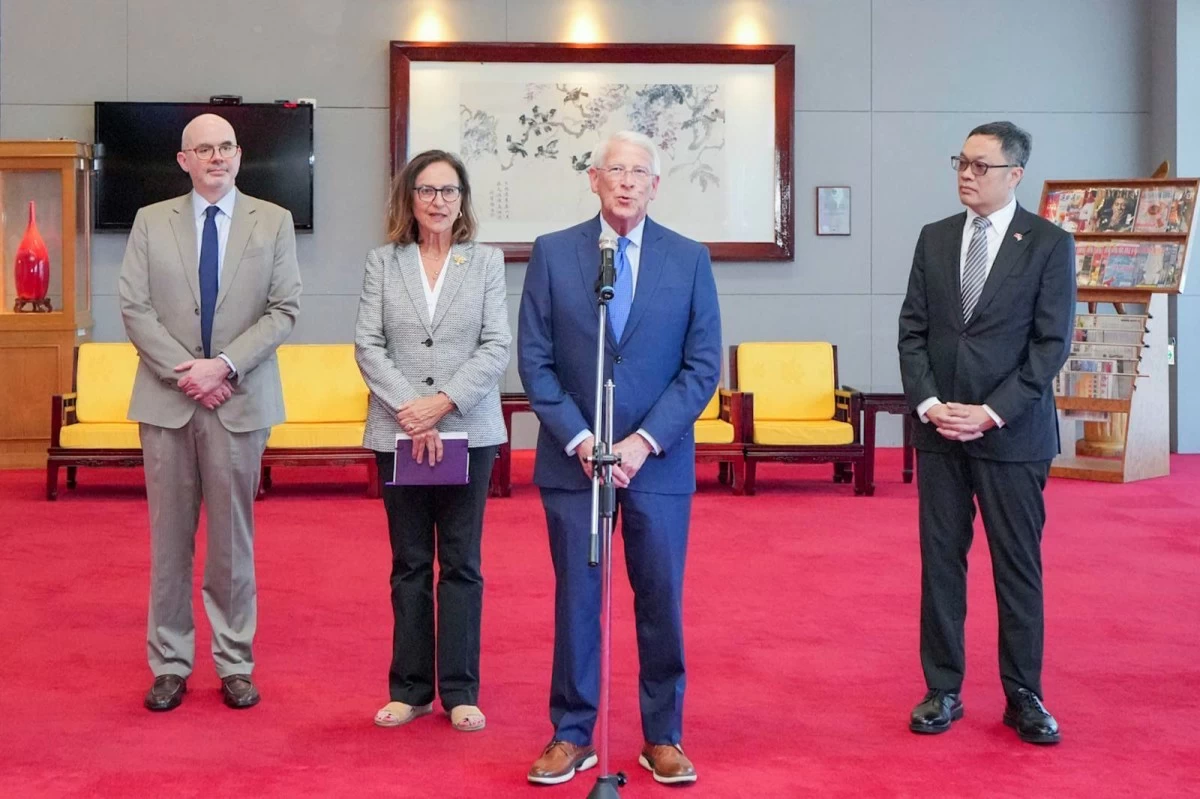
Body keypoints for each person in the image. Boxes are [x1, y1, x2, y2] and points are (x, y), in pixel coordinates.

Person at [518, 130, 721, 785]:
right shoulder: (553, 254)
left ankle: (663, 734)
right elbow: (536, 361)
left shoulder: (689, 259)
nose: (628, 181)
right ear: (593, 178)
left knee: (660, 597)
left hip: (657, 463)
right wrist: (582, 438)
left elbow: (701, 365)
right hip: (574, 461)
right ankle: (572, 732)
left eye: (640, 172)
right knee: (578, 597)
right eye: (616, 170)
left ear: (656, 185)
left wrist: (642, 440)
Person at [898, 121, 1075, 745]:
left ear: (1015, 175)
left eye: (980, 166)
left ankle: (1024, 694)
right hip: (940, 431)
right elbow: (913, 332)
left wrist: (991, 411)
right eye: (960, 163)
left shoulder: (1050, 244)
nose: (966, 175)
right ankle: (942, 689)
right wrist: (928, 403)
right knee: (941, 564)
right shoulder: (935, 238)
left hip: (1012, 434)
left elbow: (1049, 346)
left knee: (1016, 566)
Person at [119, 113, 302, 712]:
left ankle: (234, 662)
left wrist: (222, 366)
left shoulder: (272, 222)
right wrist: (188, 372)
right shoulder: (151, 221)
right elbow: (135, 308)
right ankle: (169, 663)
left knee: (231, 544)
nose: (216, 157)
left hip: (239, 401)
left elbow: (283, 310)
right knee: (168, 542)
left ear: (239, 155)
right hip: (168, 401)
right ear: (184, 160)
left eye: (226, 147)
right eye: (204, 149)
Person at [355, 149, 510, 733]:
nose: (438, 201)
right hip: (398, 432)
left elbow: (496, 346)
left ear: (463, 200)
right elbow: (368, 346)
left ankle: (461, 691)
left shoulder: (486, 263)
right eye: (427, 190)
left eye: (449, 191)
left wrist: (440, 407)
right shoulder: (382, 262)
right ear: (410, 199)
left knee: (463, 563)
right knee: (411, 564)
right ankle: (411, 689)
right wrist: (411, 414)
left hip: (469, 431)